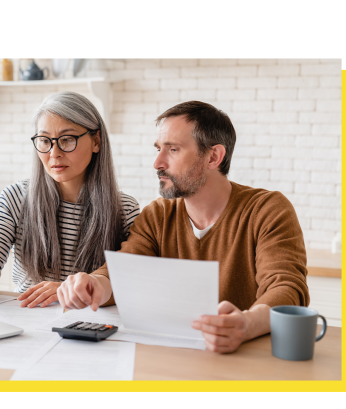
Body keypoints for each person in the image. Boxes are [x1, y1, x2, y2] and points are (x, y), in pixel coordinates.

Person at [56, 101, 309, 353]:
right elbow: (123, 272)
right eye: (158, 149)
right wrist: (93, 284)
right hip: (175, 356)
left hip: (246, 359)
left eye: (173, 149)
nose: (157, 163)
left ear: (213, 157)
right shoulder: (158, 215)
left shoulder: (267, 210)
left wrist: (246, 324)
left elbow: (287, 289)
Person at [0, 91, 140, 308]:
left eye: (67, 139)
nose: (54, 153)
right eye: (44, 141)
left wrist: (66, 291)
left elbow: (129, 284)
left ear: (96, 141)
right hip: (30, 320)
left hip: (92, 325)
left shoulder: (125, 209)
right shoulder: (15, 198)